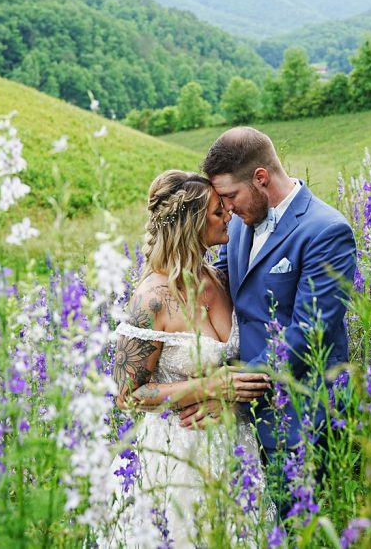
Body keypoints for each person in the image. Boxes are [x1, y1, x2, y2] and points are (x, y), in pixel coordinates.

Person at [105, 170, 274, 548]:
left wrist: (227, 391)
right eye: (217, 212)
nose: (227, 215)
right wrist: (210, 386)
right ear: (191, 224)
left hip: (235, 445)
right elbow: (128, 395)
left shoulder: (218, 277)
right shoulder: (151, 300)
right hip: (177, 455)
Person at [185, 127, 357, 497]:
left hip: (301, 418)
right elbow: (225, 281)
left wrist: (232, 388)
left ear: (260, 178)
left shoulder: (326, 231)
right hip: (244, 421)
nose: (226, 209)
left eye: (230, 196)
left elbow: (309, 332)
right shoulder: (245, 224)